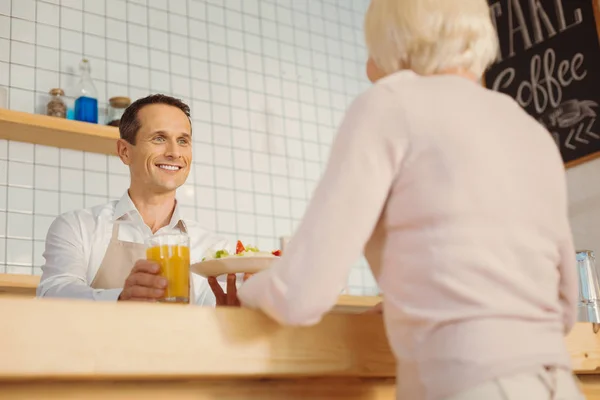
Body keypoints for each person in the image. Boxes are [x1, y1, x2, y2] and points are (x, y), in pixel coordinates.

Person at [237, 0, 583, 399]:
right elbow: (563, 302)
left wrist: (249, 292)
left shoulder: (390, 103)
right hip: (557, 383)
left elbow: (299, 295)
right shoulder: (529, 128)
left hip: (467, 383)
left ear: (394, 37)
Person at [37, 94, 237, 305]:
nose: (174, 153)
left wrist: (227, 316)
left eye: (182, 140)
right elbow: (52, 293)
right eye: (159, 138)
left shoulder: (211, 248)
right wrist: (121, 297)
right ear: (125, 151)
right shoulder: (78, 227)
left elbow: (212, 318)